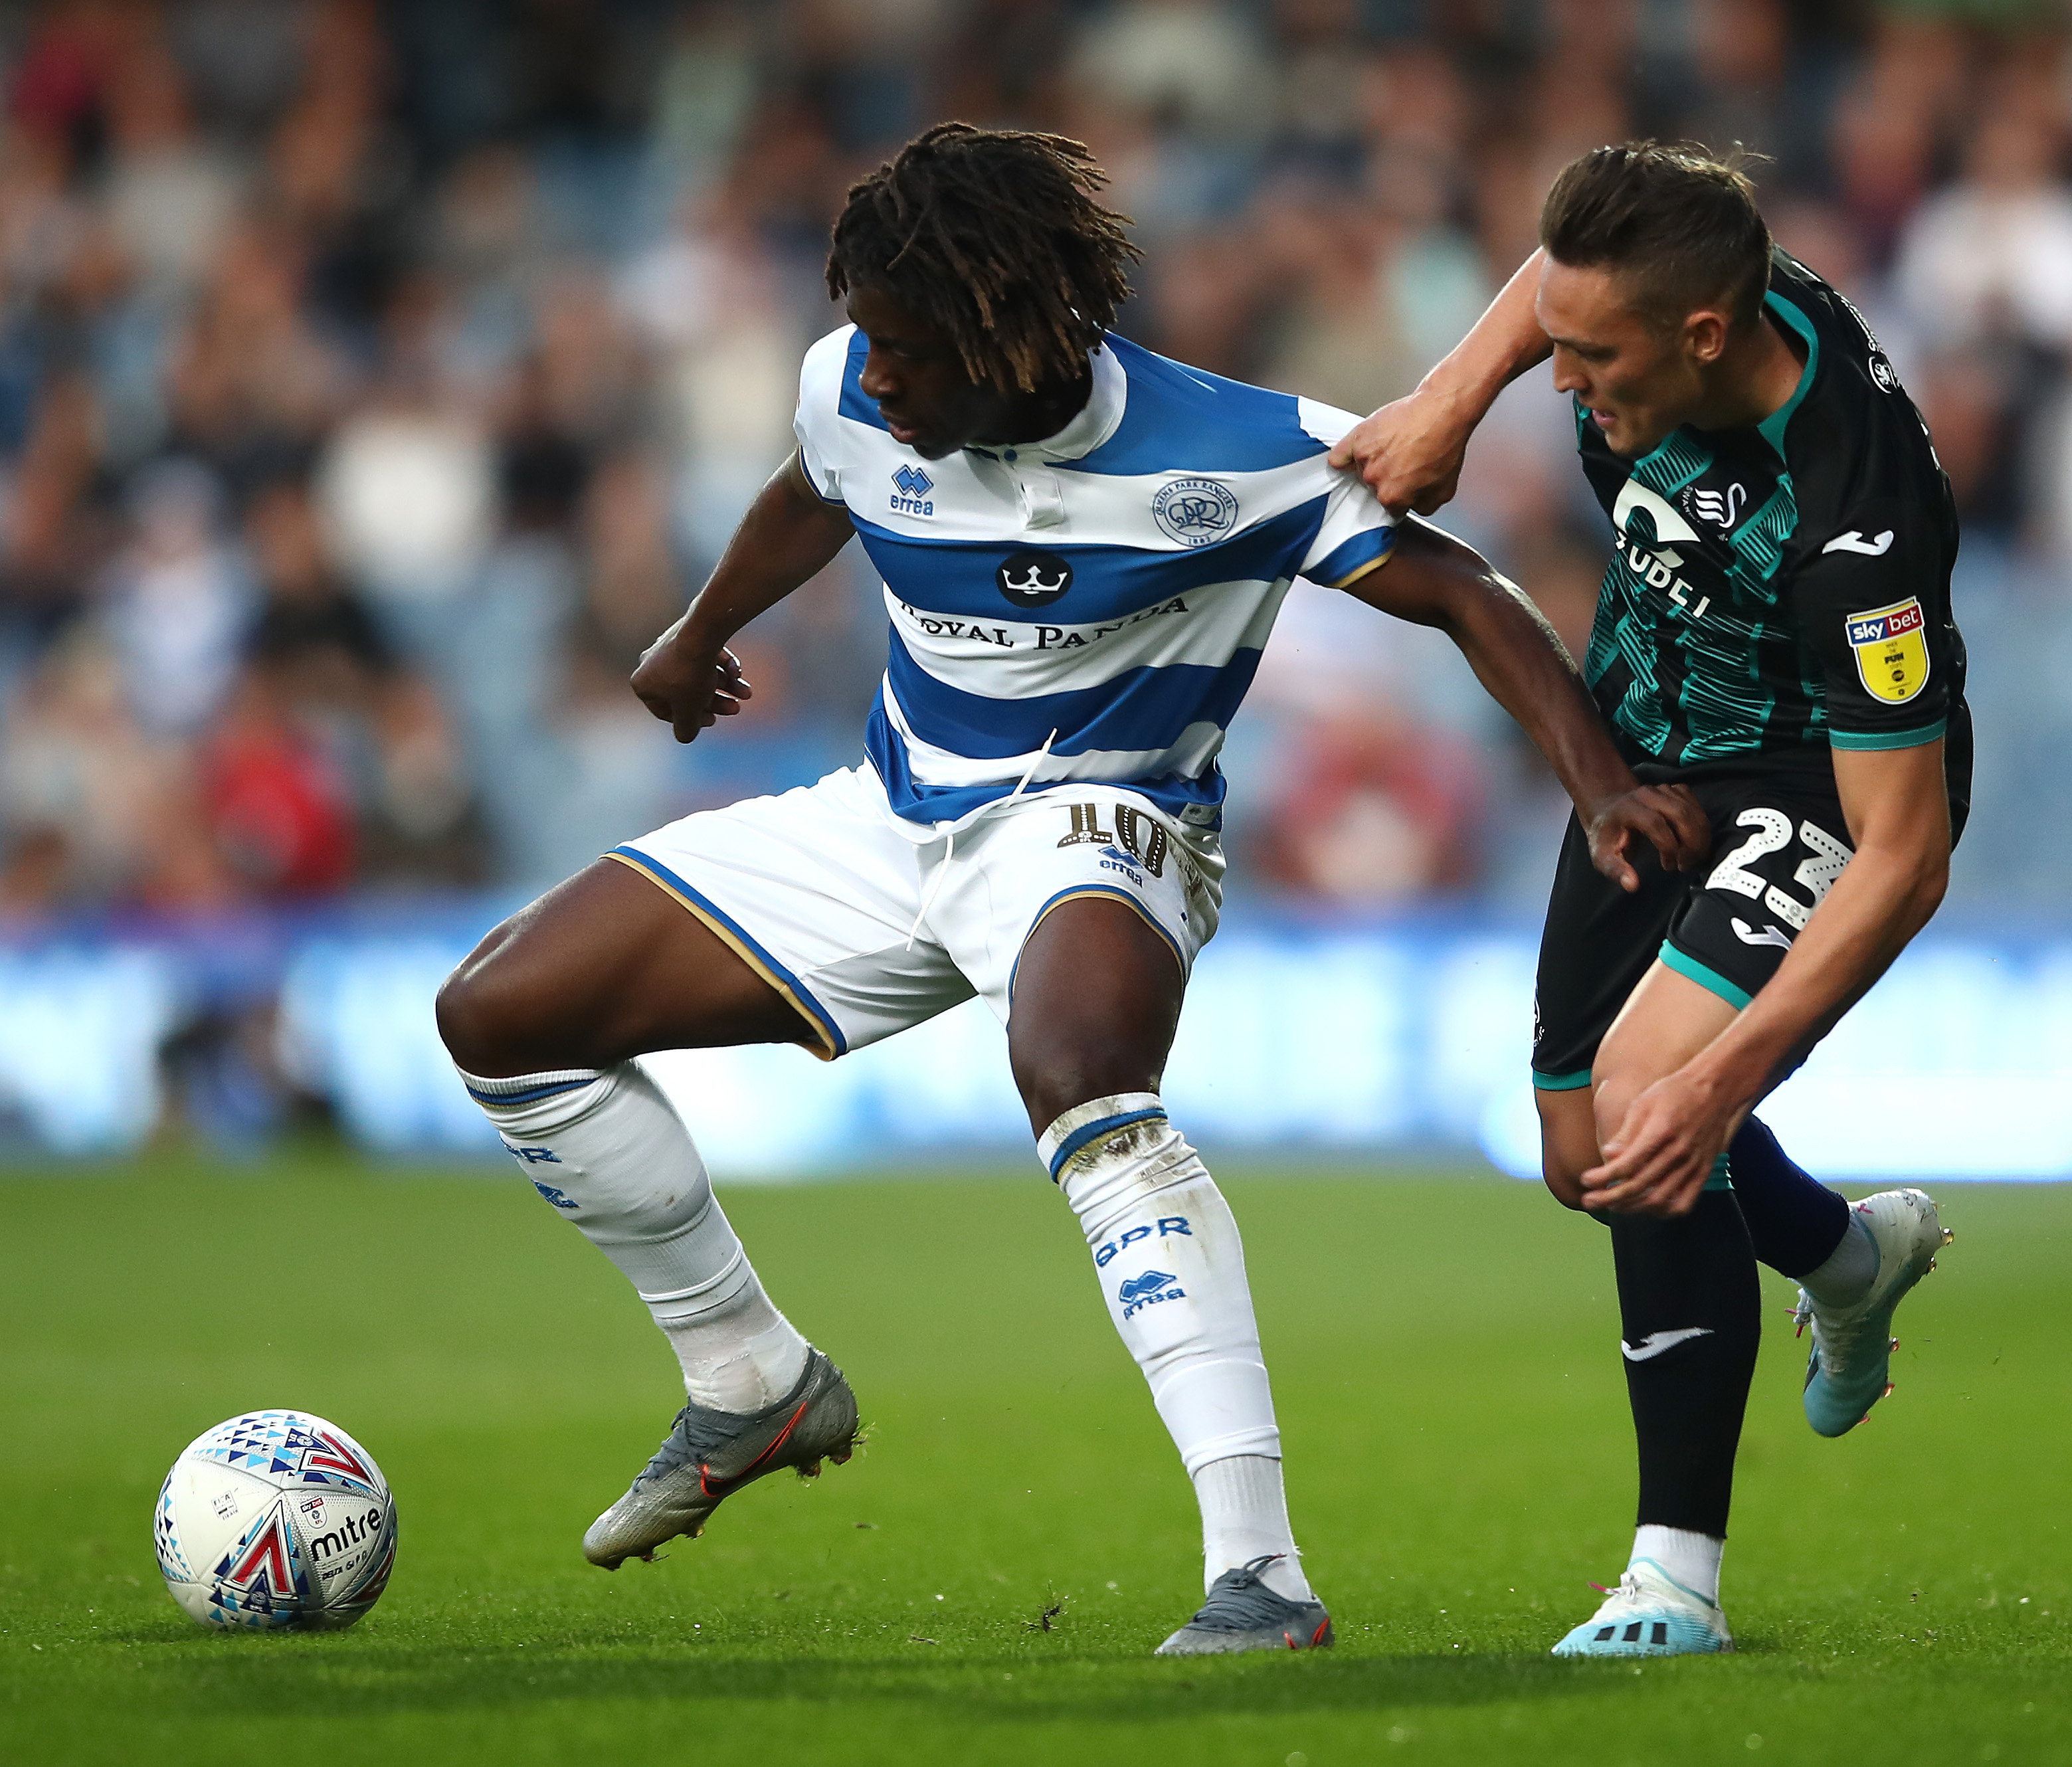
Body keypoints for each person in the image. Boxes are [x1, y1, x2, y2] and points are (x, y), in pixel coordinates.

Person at [432, 124, 1699, 1657]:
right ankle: (748, 1377)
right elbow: (816, 488)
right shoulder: (854, 387)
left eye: (908, 349)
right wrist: (700, 631)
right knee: (500, 1014)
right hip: (890, 817)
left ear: (1009, 335)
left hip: (1106, 815)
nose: (875, 375)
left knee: (1081, 1071)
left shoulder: (1236, 449)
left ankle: (1261, 1574)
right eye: (867, 341)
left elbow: (1463, 590)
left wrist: (1597, 782)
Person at [1333, 142, 1970, 1657]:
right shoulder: (1695, 282)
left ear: (1702, 337)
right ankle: (1844, 1255)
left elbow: (1906, 854)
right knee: (1588, 1158)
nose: (1563, 382)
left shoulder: (1857, 527)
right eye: (1557, 350)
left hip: (1815, 785)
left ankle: (1674, 1576)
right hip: (1644, 753)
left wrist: (1725, 1077)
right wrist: (1448, 399)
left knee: (1652, 1108)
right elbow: (1560, 285)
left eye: (1594, 362)